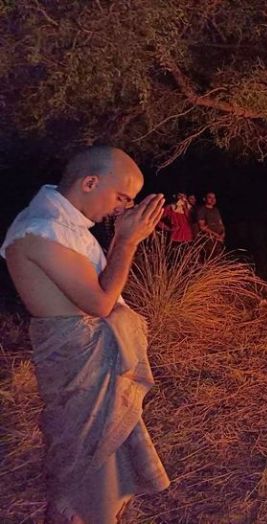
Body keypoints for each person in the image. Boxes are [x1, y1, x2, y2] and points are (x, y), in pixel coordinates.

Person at [0, 146, 170, 522]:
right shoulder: (40, 230)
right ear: (90, 182)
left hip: (92, 364)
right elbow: (100, 303)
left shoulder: (70, 229)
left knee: (104, 463)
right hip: (77, 365)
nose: (123, 209)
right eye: (121, 197)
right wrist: (126, 241)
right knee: (84, 471)